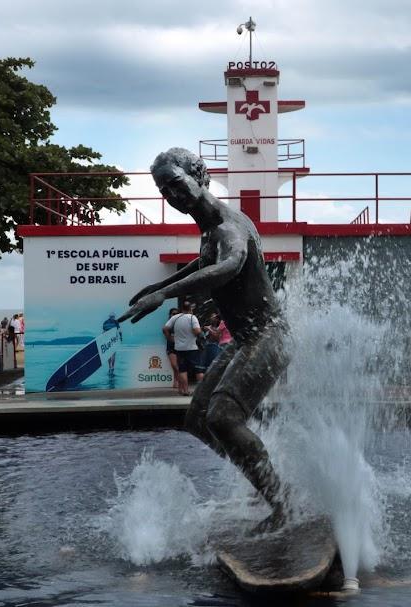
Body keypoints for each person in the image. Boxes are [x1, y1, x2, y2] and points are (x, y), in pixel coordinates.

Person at [120, 147, 291, 532]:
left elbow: (228, 266)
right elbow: (207, 261)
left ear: (200, 176)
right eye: (165, 191)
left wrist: (164, 294)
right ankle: (260, 476)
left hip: (269, 335)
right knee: (198, 419)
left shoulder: (229, 227)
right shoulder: (210, 230)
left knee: (223, 417)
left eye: (177, 184)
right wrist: (161, 283)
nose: (173, 196)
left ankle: (283, 502)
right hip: (245, 339)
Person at [163, 301, 204, 396]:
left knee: (182, 370)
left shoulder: (175, 317)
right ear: (190, 309)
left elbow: (165, 329)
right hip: (192, 348)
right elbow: (197, 331)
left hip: (179, 349)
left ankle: (185, 391)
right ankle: (201, 392)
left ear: (182, 309)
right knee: (198, 370)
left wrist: (169, 338)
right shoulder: (192, 318)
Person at [164, 307, 181, 389]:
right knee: (174, 365)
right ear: (170, 315)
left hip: (180, 347)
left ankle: (176, 381)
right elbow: (165, 334)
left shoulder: (181, 323)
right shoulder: (168, 324)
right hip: (171, 347)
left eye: (177, 314)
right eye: (173, 314)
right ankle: (178, 381)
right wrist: (171, 338)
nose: (175, 315)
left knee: (178, 366)